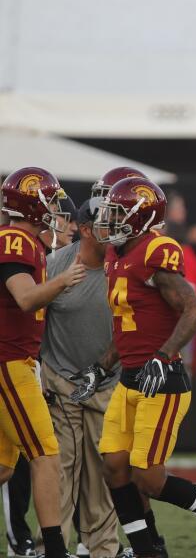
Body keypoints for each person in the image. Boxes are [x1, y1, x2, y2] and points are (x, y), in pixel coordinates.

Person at [85, 177, 196, 558]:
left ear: (140, 218)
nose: (108, 221)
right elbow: (131, 327)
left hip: (162, 381)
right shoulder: (116, 255)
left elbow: (195, 311)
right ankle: (148, 551)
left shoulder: (155, 251)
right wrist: (101, 365)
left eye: (116, 213)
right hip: (129, 378)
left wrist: (163, 355)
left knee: (147, 478)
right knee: (114, 468)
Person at [0, 167, 86, 558]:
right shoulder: (15, 241)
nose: (56, 210)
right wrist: (62, 281)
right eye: (50, 201)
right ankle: (55, 548)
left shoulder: (28, 242)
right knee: (46, 453)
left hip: (15, 359)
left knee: (3, 467)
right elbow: (25, 298)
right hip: (8, 361)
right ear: (33, 204)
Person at [39, 198, 121, 557]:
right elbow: (29, 315)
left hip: (107, 387)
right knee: (59, 476)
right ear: (86, 228)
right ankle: (51, 549)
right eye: (109, 222)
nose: (118, 229)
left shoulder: (124, 265)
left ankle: (103, 550)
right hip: (63, 384)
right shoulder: (55, 264)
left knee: (104, 478)